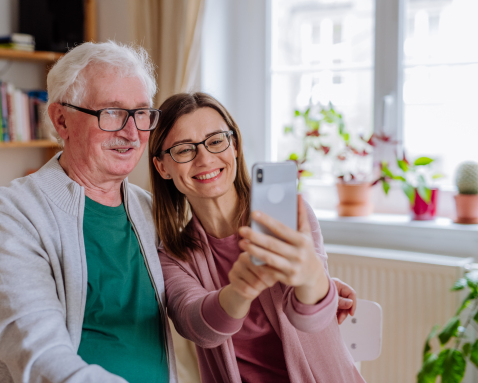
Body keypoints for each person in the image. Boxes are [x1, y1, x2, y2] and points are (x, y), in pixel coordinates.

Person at [0, 41, 178, 383]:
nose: (132, 132)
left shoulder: (150, 211)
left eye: (141, 113)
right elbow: (40, 357)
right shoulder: (9, 214)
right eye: (111, 112)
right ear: (61, 120)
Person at [149, 92, 365, 383]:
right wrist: (240, 290)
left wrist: (313, 276)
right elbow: (198, 327)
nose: (205, 158)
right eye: (185, 149)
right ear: (163, 166)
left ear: (234, 146)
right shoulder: (173, 258)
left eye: (215, 141)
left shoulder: (290, 216)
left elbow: (311, 320)